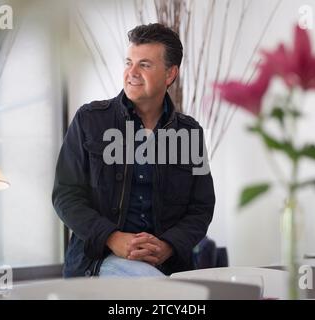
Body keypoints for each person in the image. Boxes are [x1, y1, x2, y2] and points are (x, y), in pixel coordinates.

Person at [52, 23, 215, 278]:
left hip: (168, 269)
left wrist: (168, 246)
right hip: (96, 265)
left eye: (145, 65)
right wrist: (112, 238)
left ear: (170, 74)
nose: (132, 72)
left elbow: (201, 208)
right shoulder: (89, 120)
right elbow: (66, 195)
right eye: (129, 62)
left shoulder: (190, 133)